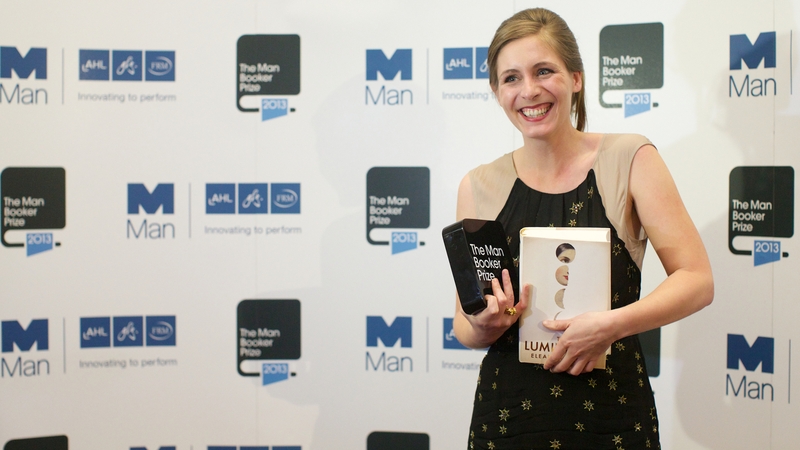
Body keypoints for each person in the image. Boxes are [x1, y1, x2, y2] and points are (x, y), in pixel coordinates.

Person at [452, 8, 713, 449]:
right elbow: (464, 324)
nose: (529, 90)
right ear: (497, 91)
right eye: (511, 78)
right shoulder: (478, 186)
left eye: (544, 71)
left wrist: (611, 326)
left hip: (612, 420)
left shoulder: (629, 159)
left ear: (576, 78)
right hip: (508, 419)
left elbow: (697, 280)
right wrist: (486, 324)